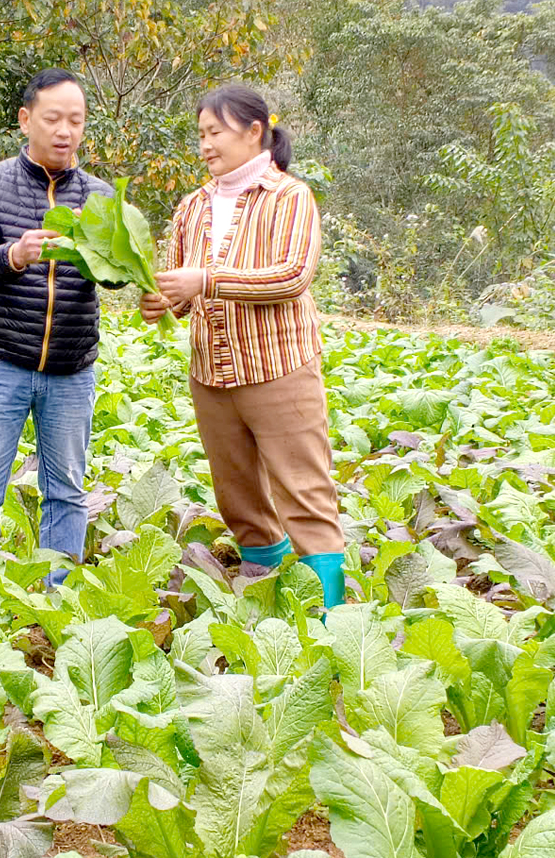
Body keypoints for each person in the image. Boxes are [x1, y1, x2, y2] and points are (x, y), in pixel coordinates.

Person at [140, 84, 347, 611]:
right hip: (212, 373)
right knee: (237, 494)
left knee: (303, 490)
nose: (206, 145)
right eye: (201, 135)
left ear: (255, 132)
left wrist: (204, 281)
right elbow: (184, 291)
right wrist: (162, 300)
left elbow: (291, 276)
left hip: (278, 366)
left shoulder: (289, 197)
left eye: (216, 132)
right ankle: (265, 586)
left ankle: (328, 617)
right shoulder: (194, 206)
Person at [0, 68, 111, 584]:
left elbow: (113, 277)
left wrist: (117, 260)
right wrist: (15, 255)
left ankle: (56, 600)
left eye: (76, 121)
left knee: (66, 489)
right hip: (0, 362)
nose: (65, 131)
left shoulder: (99, 196)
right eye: (53, 119)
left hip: (71, 368)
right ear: (26, 120)